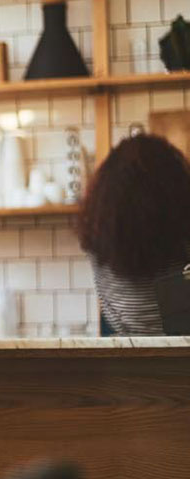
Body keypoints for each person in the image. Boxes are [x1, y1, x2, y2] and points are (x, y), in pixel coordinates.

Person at [77, 134, 190, 336]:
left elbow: (114, 317)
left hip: (128, 356)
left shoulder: (100, 245)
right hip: (179, 356)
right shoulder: (181, 239)